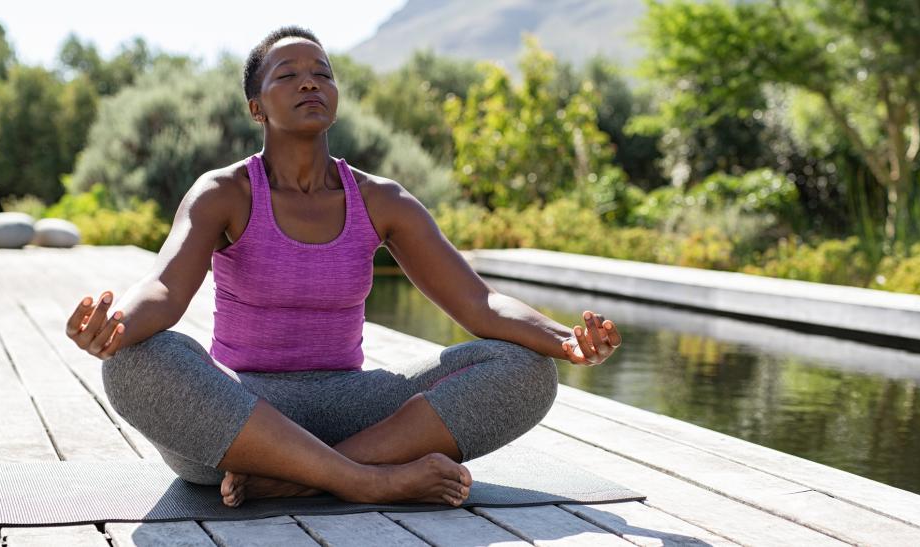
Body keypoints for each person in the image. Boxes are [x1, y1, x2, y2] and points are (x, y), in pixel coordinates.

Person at [65, 25, 623, 509]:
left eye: (322, 72)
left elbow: (478, 303)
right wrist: (116, 329)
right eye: (287, 74)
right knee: (134, 362)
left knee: (524, 370)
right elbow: (163, 287)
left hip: (355, 411)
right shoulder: (224, 192)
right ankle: (363, 482)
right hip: (239, 421)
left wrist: (563, 340)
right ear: (256, 107)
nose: (310, 81)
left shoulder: (382, 200)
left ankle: (300, 481)